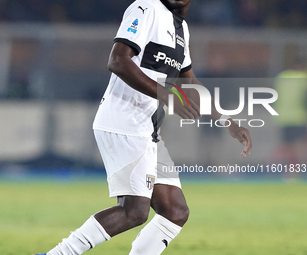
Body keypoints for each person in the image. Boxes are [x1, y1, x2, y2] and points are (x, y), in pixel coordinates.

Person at [35, 0, 252, 254]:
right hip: (124, 121)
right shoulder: (146, 7)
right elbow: (117, 61)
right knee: (134, 211)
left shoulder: (181, 28)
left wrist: (228, 121)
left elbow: (190, 81)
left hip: (148, 131)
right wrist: (168, 96)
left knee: (175, 211)